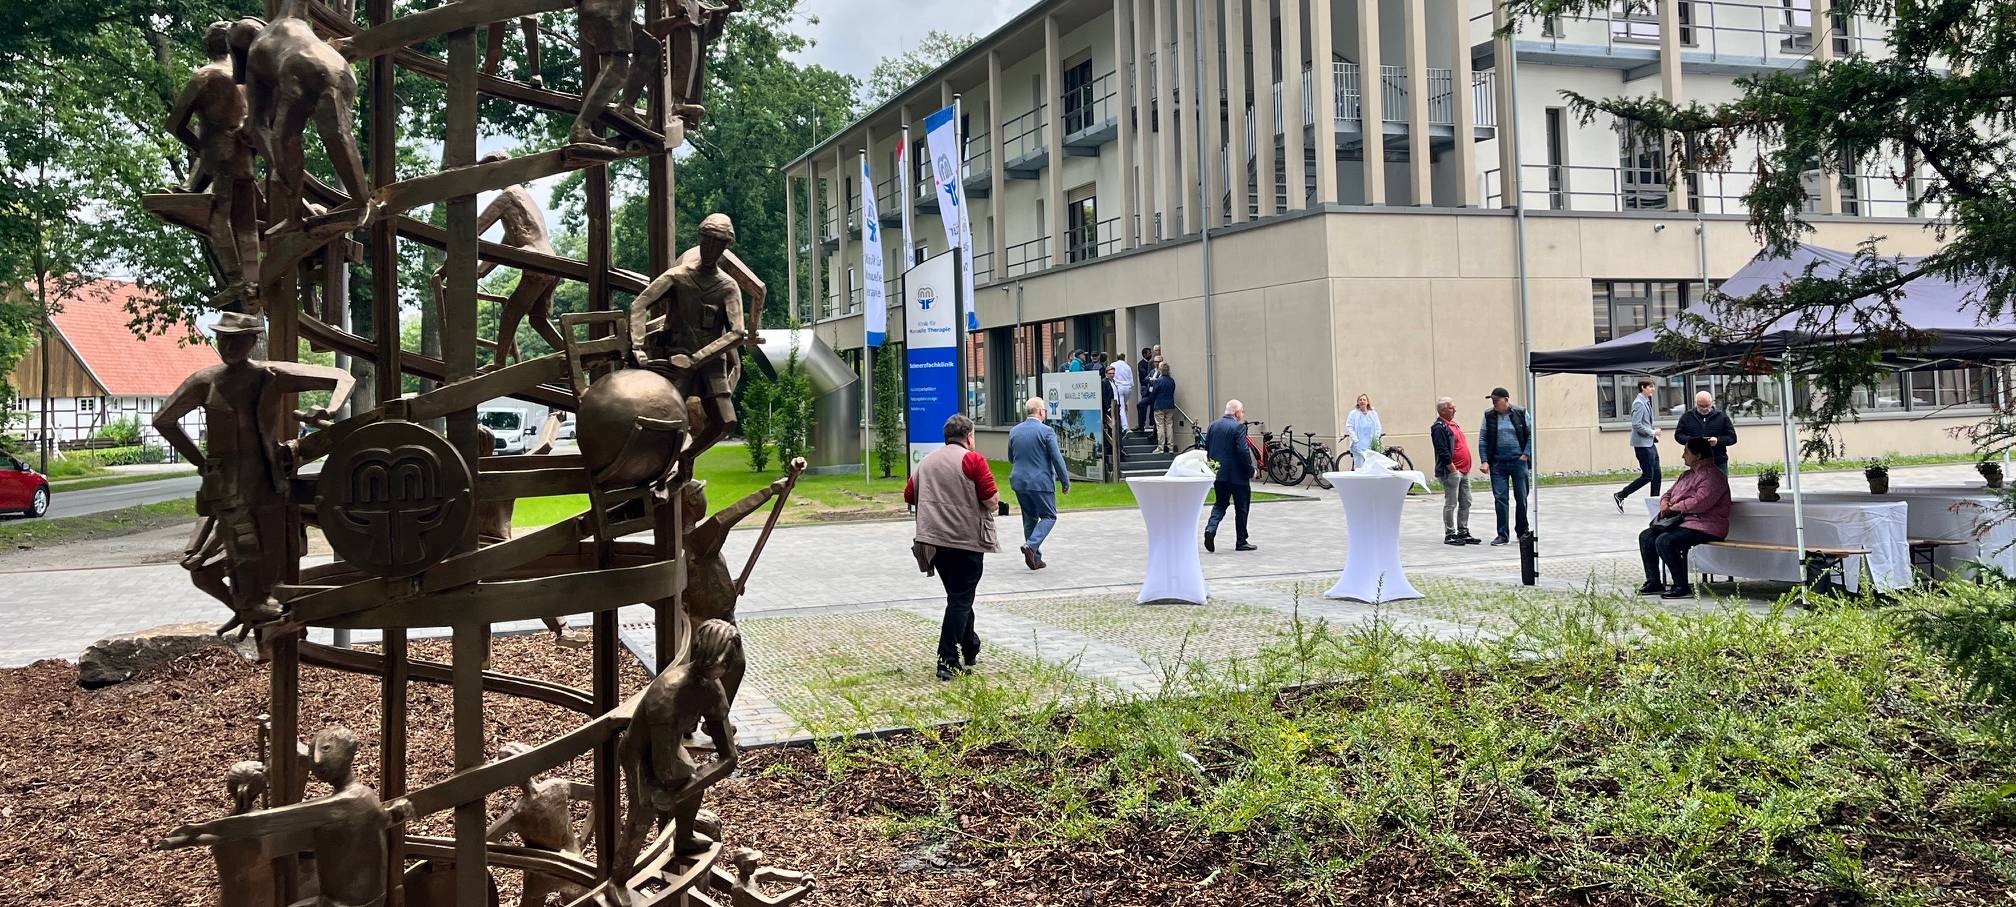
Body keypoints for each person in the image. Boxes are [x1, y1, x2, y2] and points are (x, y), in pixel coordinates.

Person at [905, 414, 1001, 680]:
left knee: (959, 597)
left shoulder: (926, 462)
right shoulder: (972, 459)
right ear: (969, 436)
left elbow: (909, 494)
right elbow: (990, 499)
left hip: (934, 542)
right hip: (966, 540)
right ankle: (947, 660)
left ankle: (970, 646)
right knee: (960, 599)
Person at [1638, 438, 1731, 599]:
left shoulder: (1713, 476)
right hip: (1684, 522)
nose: (1683, 456)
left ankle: (1681, 586)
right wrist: (1664, 504)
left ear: (1698, 455)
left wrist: (1673, 507)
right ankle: (1653, 582)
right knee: (1646, 536)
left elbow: (1700, 502)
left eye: (1686, 452)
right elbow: (1668, 493)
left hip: (1706, 525)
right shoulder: (1686, 475)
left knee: (1665, 540)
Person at [1007, 397, 1071, 571]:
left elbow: (1011, 458)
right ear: (1041, 411)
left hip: (1019, 482)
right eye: (1045, 410)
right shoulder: (1047, 431)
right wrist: (1065, 482)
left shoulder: (1014, 431)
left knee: (1029, 518)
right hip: (1040, 482)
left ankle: (1034, 559)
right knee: (1049, 516)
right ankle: (1031, 546)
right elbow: (1057, 459)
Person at [1477, 387, 1532, 546]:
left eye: (1496, 400)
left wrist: (1525, 454)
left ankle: (1522, 531)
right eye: (1492, 400)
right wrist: (1484, 460)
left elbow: (1531, 434)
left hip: (1518, 462)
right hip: (1498, 463)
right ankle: (1502, 534)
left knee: (1521, 497)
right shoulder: (1489, 416)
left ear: (1506, 400)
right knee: (1500, 498)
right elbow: (1483, 439)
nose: (1494, 403)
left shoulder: (1521, 413)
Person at [1204, 399, 1257, 552]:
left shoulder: (1213, 425)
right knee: (1242, 507)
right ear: (1236, 412)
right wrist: (1250, 470)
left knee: (1220, 504)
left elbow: (1208, 448)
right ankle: (1241, 541)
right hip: (1237, 476)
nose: (1243, 414)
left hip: (1219, 474)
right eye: (1242, 411)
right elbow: (1243, 450)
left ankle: (1210, 529)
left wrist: (1213, 469)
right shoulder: (1238, 427)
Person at [1430, 397, 1480, 546]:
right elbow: (1442, 450)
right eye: (1451, 407)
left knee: (1466, 500)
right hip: (1451, 472)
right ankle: (1450, 534)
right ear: (1443, 410)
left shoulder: (1453, 424)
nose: (1455, 409)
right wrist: (1452, 469)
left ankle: (1463, 531)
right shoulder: (1439, 427)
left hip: (1464, 470)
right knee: (1451, 503)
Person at [1614, 378, 1663, 510]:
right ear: (1643, 387)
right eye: (1650, 386)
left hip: (1650, 444)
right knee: (1648, 476)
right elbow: (1636, 425)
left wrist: (1652, 435)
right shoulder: (1639, 403)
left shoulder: (1646, 401)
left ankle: (1655, 505)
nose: (1653, 389)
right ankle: (1621, 495)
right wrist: (1652, 432)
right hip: (1642, 445)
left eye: (1653, 386)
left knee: (1657, 474)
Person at [1674, 390, 1737, 474]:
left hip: (1718, 460)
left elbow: (1732, 437)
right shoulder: (1687, 417)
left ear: (1712, 403)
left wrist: (1718, 441)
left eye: (1707, 405)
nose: (1704, 409)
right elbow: (1678, 435)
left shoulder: (1722, 417)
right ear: (1696, 403)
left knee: (1719, 486)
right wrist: (1692, 441)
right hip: (1696, 461)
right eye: (1701, 406)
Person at [1345, 393, 1383, 468]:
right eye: (1360, 400)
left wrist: (1376, 439)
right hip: (1358, 444)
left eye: (1364, 400)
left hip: (1371, 444)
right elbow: (1349, 426)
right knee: (1360, 466)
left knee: (1371, 466)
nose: (1362, 401)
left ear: (1367, 402)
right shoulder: (1353, 414)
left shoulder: (1373, 413)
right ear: (1358, 402)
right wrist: (1355, 440)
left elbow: (1378, 427)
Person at [1149, 362, 1179, 453]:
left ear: (1160, 370)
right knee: (1169, 425)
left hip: (1159, 405)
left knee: (1160, 426)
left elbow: (1153, 394)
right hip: (1170, 405)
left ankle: (1161, 447)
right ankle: (1170, 447)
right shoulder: (1171, 381)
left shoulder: (1158, 381)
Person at [1110, 352, 1135, 433]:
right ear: (1124, 358)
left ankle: (1125, 426)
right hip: (1128, 388)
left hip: (1119, 387)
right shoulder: (1128, 366)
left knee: (1121, 407)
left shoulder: (1113, 364)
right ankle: (1124, 424)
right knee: (1123, 406)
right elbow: (1131, 381)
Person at [1135, 347, 1156, 434]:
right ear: (1144, 354)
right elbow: (1143, 377)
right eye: (1149, 353)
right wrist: (1151, 379)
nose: (1150, 355)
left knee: (1153, 407)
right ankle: (1141, 425)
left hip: (1154, 391)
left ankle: (1152, 423)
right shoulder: (1141, 364)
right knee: (1143, 406)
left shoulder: (1152, 364)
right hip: (1145, 389)